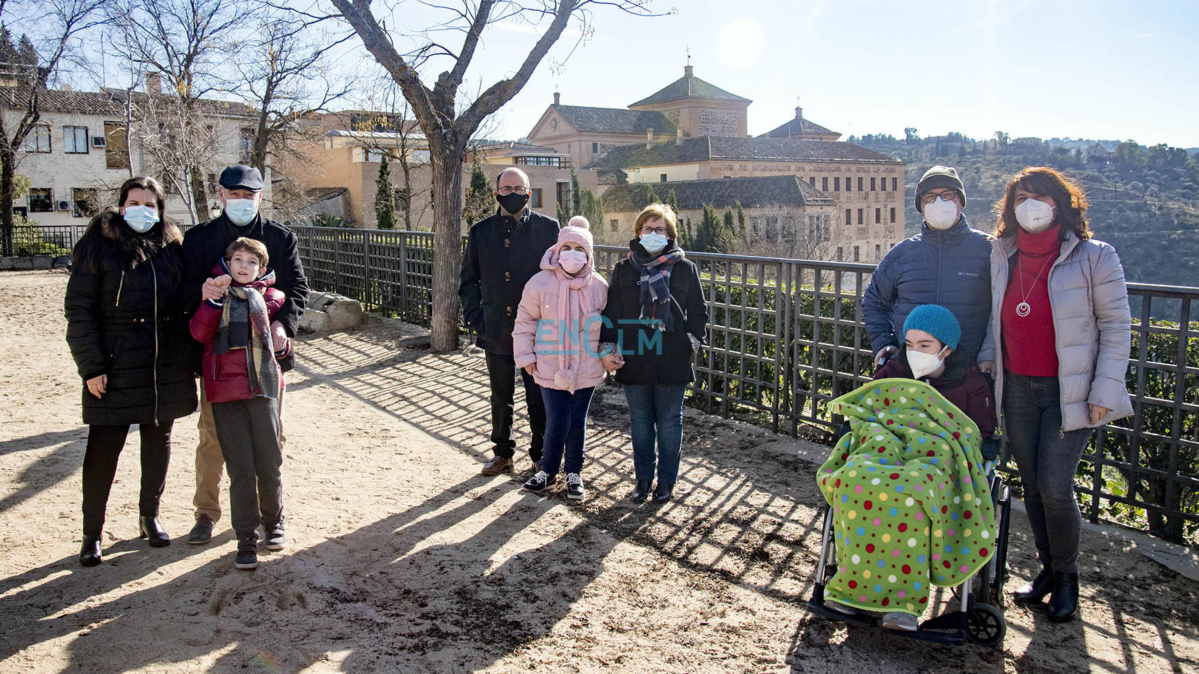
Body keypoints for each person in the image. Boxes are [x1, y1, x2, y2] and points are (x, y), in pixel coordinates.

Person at [986, 167, 1131, 622]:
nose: (1030, 205)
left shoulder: (1096, 257)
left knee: (1054, 485)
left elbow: (1116, 328)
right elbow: (995, 318)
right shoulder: (1002, 254)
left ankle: (1068, 578)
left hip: (1070, 391)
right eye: (1021, 197)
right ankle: (1047, 571)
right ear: (1010, 207)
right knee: (1031, 483)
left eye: (1040, 197)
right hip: (1017, 388)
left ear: (1060, 204)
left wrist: (1105, 388)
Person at [825, 304, 997, 631]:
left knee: (913, 492)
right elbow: (867, 411)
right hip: (886, 445)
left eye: (926, 345)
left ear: (947, 348)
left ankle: (902, 604)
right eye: (911, 343)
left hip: (937, 459)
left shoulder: (971, 383)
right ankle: (852, 590)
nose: (915, 352)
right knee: (854, 478)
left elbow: (978, 437)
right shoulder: (891, 373)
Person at [64, 176, 198, 567]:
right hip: (114, 363)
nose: (143, 210)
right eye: (135, 202)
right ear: (122, 205)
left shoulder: (172, 246)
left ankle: (149, 516)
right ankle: (92, 533)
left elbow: (186, 301)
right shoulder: (99, 246)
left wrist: (187, 359)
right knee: (104, 450)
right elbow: (79, 311)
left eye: (150, 204)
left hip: (164, 361)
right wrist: (91, 366)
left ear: (160, 209)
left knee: (159, 444)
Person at [181, 165, 308, 546]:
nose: (241, 200)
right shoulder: (200, 238)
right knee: (212, 438)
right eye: (233, 194)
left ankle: (267, 515)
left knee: (271, 439)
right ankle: (206, 512)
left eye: (248, 194)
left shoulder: (279, 237)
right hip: (218, 363)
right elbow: (184, 294)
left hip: (266, 361)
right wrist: (205, 296)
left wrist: (284, 324)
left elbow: (297, 288)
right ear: (220, 194)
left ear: (260, 196)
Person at [189, 237, 291, 570]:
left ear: (261, 269)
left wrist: (282, 332)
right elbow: (198, 332)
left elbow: (282, 331)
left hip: (262, 390)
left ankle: (273, 522)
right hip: (225, 393)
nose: (243, 266)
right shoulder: (214, 296)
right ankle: (245, 537)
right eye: (237, 260)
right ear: (227, 263)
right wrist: (212, 302)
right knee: (241, 469)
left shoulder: (271, 299)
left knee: (269, 460)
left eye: (251, 262)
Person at [600, 204, 708, 503]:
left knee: (670, 422)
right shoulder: (624, 268)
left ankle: (666, 482)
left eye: (660, 229)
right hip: (635, 354)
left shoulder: (685, 268)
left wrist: (691, 341)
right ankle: (643, 479)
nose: (653, 234)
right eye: (648, 228)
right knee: (641, 422)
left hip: (672, 354)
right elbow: (612, 313)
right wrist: (608, 349)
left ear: (670, 234)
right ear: (638, 232)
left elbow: (699, 312)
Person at [459, 167, 560, 476]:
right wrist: (478, 319)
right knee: (500, 395)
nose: (512, 193)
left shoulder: (549, 229)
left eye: (519, 188)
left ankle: (541, 454)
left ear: (529, 193)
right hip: (495, 327)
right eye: (506, 188)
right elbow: (468, 282)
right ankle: (502, 453)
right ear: (496, 193)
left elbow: (561, 278)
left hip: (538, 330)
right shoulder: (480, 231)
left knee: (538, 395)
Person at [862, 166, 996, 373]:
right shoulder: (902, 254)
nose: (938, 202)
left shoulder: (989, 249)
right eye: (929, 197)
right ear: (921, 206)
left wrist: (990, 355)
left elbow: (1002, 310)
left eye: (947, 195)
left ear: (960, 202)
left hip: (970, 373)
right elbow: (874, 301)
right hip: (911, 369)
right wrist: (884, 342)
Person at [512, 217, 609, 501]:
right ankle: (548, 469)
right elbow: (525, 321)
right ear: (556, 249)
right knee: (556, 419)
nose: (572, 254)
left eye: (580, 249)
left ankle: (574, 473)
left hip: (586, 367)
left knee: (577, 420)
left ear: (589, 254)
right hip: (549, 364)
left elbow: (609, 324)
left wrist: (607, 354)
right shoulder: (539, 282)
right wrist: (525, 354)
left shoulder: (599, 285)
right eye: (566, 247)